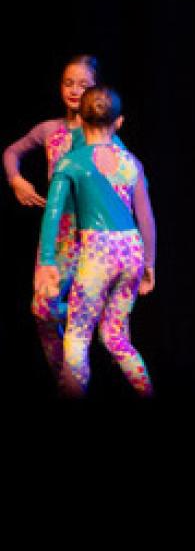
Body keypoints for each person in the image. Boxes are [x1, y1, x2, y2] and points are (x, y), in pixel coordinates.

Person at [34, 86, 155, 397]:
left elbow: (52, 214)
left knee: (76, 335)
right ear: (119, 123)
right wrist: (150, 263)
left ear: (81, 118)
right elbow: (146, 218)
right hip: (132, 251)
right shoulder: (132, 162)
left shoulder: (71, 162)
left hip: (99, 253)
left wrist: (47, 260)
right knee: (115, 336)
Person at [8, 55, 106, 377]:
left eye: (84, 85)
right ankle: (64, 376)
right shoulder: (50, 129)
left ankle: (76, 380)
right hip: (56, 233)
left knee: (82, 312)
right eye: (68, 83)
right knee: (42, 310)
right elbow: (11, 152)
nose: (75, 90)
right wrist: (16, 179)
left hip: (91, 232)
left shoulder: (101, 133)